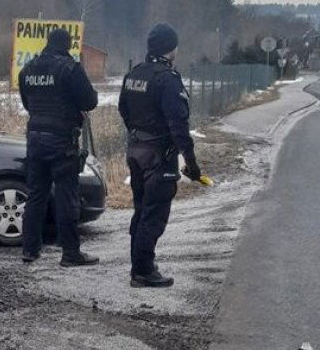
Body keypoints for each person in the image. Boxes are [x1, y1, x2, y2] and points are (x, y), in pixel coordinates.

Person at [118, 23, 202, 288]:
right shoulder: (167, 79)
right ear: (171, 49)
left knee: (141, 209)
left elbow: (123, 109)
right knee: (153, 215)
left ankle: (140, 264)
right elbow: (178, 125)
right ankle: (143, 272)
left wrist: (137, 134)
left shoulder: (134, 74)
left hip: (136, 150)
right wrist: (191, 162)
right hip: (158, 155)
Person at [18, 28, 99, 267]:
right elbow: (90, 101)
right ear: (67, 45)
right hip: (61, 141)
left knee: (36, 195)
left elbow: (27, 102)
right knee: (66, 197)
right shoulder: (69, 68)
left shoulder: (29, 69)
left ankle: (30, 249)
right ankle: (70, 253)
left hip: (34, 139)